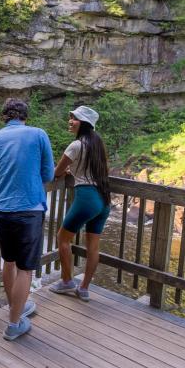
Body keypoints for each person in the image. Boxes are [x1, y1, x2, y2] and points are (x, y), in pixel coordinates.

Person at [0, 98, 54, 340]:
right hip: (29, 210)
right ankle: (14, 323)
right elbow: (48, 173)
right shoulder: (38, 135)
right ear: (25, 116)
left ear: (4, 116)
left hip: (1, 210)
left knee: (9, 261)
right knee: (26, 268)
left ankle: (17, 305)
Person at [49, 105, 111, 302]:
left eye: (74, 118)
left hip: (86, 197)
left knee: (63, 238)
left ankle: (67, 280)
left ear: (83, 123)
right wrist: (74, 171)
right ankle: (83, 288)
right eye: (71, 117)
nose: (70, 121)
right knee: (92, 246)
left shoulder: (76, 146)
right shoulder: (97, 144)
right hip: (103, 199)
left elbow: (57, 172)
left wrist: (65, 172)